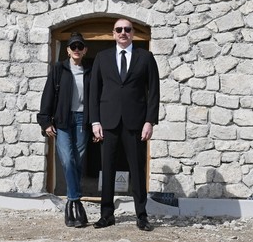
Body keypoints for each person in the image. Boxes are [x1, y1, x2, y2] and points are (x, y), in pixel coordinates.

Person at [89, 18, 160, 231]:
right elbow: (94, 91)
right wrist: (95, 121)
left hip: (135, 122)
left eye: (127, 30)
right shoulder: (102, 58)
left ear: (133, 33)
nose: (123, 33)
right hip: (108, 121)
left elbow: (154, 92)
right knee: (107, 168)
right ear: (113, 33)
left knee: (137, 169)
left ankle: (141, 215)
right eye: (119, 30)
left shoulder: (145, 58)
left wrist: (150, 121)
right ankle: (107, 214)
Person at [37, 32, 91, 228]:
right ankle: (75, 201)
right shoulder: (59, 69)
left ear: (84, 50)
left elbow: (96, 99)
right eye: (73, 47)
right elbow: (48, 95)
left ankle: (71, 205)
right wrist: (45, 121)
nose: (76, 50)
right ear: (68, 50)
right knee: (68, 161)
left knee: (77, 163)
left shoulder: (90, 71)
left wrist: (96, 123)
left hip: (82, 120)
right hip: (62, 121)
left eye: (80, 46)